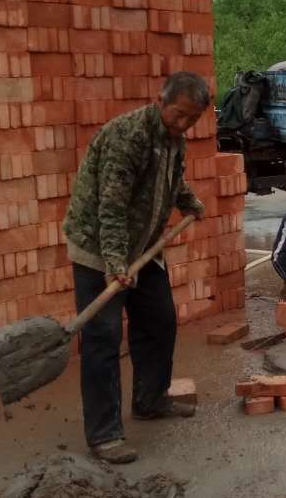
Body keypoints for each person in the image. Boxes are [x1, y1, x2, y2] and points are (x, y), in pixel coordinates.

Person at [62, 71, 210, 465]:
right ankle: (104, 434)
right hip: (99, 249)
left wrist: (189, 202)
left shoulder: (175, 141)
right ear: (161, 100)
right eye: (178, 114)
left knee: (160, 320)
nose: (182, 124)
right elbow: (111, 206)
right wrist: (114, 264)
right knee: (103, 338)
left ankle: (150, 399)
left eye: (191, 119)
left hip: (141, 248)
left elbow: (170, 181)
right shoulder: (128, 137)